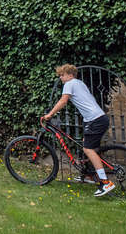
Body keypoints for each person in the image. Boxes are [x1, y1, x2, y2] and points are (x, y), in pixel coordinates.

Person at [43, 64, 115, 197]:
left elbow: (63, 101)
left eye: (62, 75)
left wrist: (50, 114)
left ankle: (105, 182)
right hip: (97, 118)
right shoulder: (79, 83)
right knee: (86, 145)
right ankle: (89, 175)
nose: (61, 78)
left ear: (70, 75)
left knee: (88, 149)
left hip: (95, 119)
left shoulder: (69, 84)